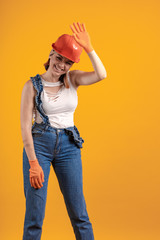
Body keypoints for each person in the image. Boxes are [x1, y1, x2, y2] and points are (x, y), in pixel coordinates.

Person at [20, 22, 107, 240]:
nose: (62, 65)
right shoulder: (31, 86)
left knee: (79, 213)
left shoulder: (72, 79)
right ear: (51, 54)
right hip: (39, 145)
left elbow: (101, 75)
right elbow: (24, 127)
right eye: (59, 58)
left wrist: (89, 49)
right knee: (34, 215)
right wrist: (33, 163)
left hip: (69, 145)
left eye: (68, 62)